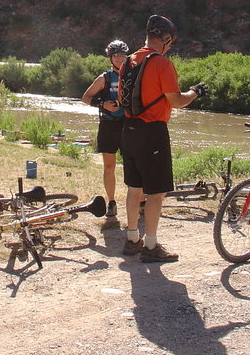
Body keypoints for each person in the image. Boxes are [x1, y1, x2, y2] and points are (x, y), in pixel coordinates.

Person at [120, 15, 207, 263]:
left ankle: (132, 239)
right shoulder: (161, 64)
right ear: (166, 39)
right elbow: (176, 101)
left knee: (134, 188)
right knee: (156, 193)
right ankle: (151, 246)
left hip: (129, 129)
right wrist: (195, 92)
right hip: (152, 132)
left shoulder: (128, 61)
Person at [82, 39, 130, 217]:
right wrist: (103, 104)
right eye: (116, 56)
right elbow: (86, 97)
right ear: (110, 58)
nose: (120, 58)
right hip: (109, 124)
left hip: (128, 125)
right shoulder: (104, 78)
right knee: (109, 166)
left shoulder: (132, 76)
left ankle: (140, 201)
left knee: (132, 164)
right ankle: (111, 202)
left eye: (122, 55)